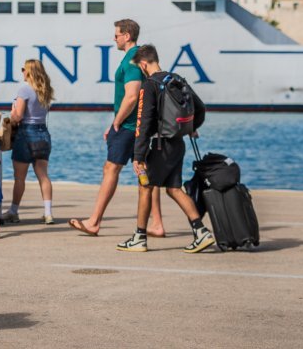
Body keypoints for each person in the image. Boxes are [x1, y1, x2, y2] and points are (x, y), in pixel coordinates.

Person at [69, 19, 166, 236]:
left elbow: (132, 96)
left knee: (111, 168)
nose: (114, 38)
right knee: (145, 172)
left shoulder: (131, 61)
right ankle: (157, 224)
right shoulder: (140, 58)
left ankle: (94, 221)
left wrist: (116, 122)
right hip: (141, 126)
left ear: (127, 36)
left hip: (130, 126)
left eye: (117, 34)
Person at [117, 44, 215, 253]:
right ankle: (201, 232)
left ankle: (139, 238)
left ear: (143, 64)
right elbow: (201, 108)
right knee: (172, 189)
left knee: (145, 186)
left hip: (161, 145)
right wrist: (191, 128)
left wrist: (138, 156)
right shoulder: (177, 79)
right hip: (178, 143)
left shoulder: (150, 86)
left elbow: (143, 123)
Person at [3, 59, 55, 225]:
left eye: (23, 69)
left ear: (29, 71)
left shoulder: (24, 90)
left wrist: (12, 113)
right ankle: (48, 213)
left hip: (26, 134)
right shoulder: (45, 91)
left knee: (19, 177)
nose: (22, 72)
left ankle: (13, 211)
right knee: (43, 175)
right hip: (43, 134)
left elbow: (18, 116)